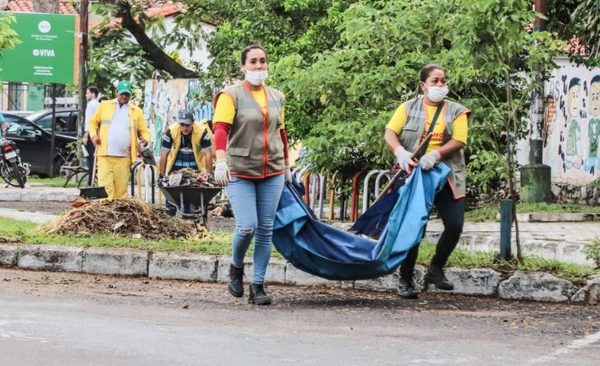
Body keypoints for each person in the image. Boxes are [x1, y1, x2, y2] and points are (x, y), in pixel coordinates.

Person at [213, 44, 291, 305]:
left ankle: (257, 285)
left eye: (263, 61)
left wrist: (287, 165)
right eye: (254, 62)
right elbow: (221, 129)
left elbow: (281, 132)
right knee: (247, 226)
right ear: (243, 66)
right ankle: (236, 267)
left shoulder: (277, 96)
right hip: (240, 169)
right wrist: (220, 161)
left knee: (266, 230)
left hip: (273, 170)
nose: (259, 66)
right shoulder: (230, 95)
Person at [384, 64, 470, 299]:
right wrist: (400, 152)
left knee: (454, 225)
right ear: (423, 85)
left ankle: (435, 268)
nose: (441, 85)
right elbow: (390, 132)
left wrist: (435, 155)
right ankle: (405, 278)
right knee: (414, 227)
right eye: (435, 81)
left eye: (443, 81)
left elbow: (460, 140)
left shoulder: (457, 111)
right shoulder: (407, 108)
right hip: (415, 175)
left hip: (447, 173)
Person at [88, 80, 151, 200]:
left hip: (124, 157)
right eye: (122, 94)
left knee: (120, 192)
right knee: (106, 189)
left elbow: (144, 131)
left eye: (127, 94)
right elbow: (92, 123)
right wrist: (93, 135)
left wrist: (145, 139)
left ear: (130, 95)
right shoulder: (104, 106)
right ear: (116, 92)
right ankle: (106, 214)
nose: (124, 97)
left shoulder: (136, 111)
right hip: (105, 155)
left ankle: (118, 216)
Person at [158, 109, 214, 215]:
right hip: (175, 169)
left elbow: (208, 154)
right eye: (182, 125)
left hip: (195, 170)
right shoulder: (171, 131)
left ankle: (192, 217)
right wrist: (161, 175)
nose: (184, 128)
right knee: (171, 199)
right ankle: (170, 218)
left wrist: (209, 174)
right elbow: (164, 154)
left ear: (193, 122)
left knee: (192, 199)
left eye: (187, 125)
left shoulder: (202, 131)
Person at [82, 86, 100, 186]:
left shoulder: (91, 105)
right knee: (95, 157)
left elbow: (89, 121)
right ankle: (93, 178)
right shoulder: (99, 105)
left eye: (87, 93)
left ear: (93, 94)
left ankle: (90, 180)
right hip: (97, 134)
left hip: (90, 133)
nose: (86, 95)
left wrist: (86, 135)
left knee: (90, 158)